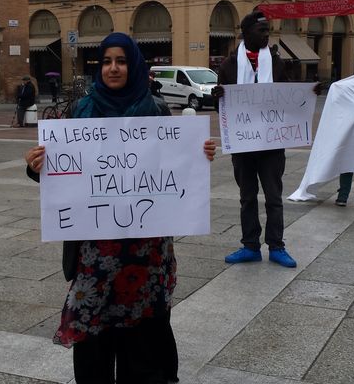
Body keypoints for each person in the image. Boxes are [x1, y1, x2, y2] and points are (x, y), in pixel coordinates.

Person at [25, 32, 216, 384]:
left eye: (122, 61)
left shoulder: (156, 109)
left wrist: (198, 155)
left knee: (144, 340)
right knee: (94, 338)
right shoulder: (81, 111)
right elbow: (64, 176)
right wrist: (37, 166)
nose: (114, 68)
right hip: (95, 253)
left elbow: (175, 167)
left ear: (135, 65)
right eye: (107, 61)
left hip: (145, 253)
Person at [212, 10, 319, 268]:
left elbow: (288, 97)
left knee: (273, 197)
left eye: (267, 30)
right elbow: (224, 111)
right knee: (247, 197)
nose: (266, 35)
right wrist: (218, 98)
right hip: (243, 145)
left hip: (271, 145)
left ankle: (277, 246)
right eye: (261, 30)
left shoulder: (276, 61)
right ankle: (250, 246)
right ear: (245, 33)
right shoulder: (229, 65)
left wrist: (309, 92)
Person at [288, 53, 354, 205]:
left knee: (347, 159)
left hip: (348, 127)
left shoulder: (347, 83)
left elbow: (336, 88)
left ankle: (342, 197)